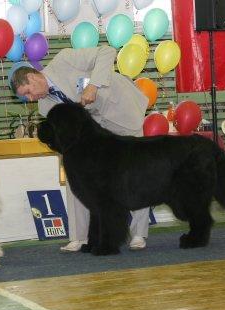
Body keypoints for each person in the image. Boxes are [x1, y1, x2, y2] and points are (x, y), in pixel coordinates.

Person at [10, 46, 150, 251]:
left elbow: (107, 51)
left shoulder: (65, 60)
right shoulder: (45, 107)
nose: (30, 99)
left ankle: (139, 234)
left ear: (33, 77)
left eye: (28, 93)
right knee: (75, 174)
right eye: (26, 98)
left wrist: (93, 85)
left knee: (135, 172)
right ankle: (79, 237)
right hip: (95, 133)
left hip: (121, 111)